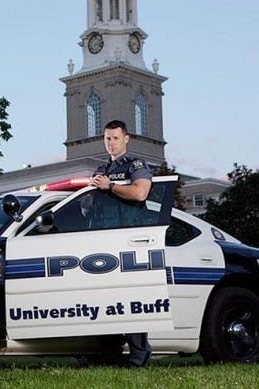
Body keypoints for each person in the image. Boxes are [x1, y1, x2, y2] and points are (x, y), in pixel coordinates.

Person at [89, 119, 153, 367]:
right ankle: (110, 355)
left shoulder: (135, 165)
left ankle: (139, 355)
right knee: (106, 297)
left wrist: (111, 186)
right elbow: (88, 207)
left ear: (126, 139)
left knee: (131, 297)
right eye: (107, 138)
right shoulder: (100, 170)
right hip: (103, 241)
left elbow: (140, 193)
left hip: (129, 240)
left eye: (115, 138)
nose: (111, 143)